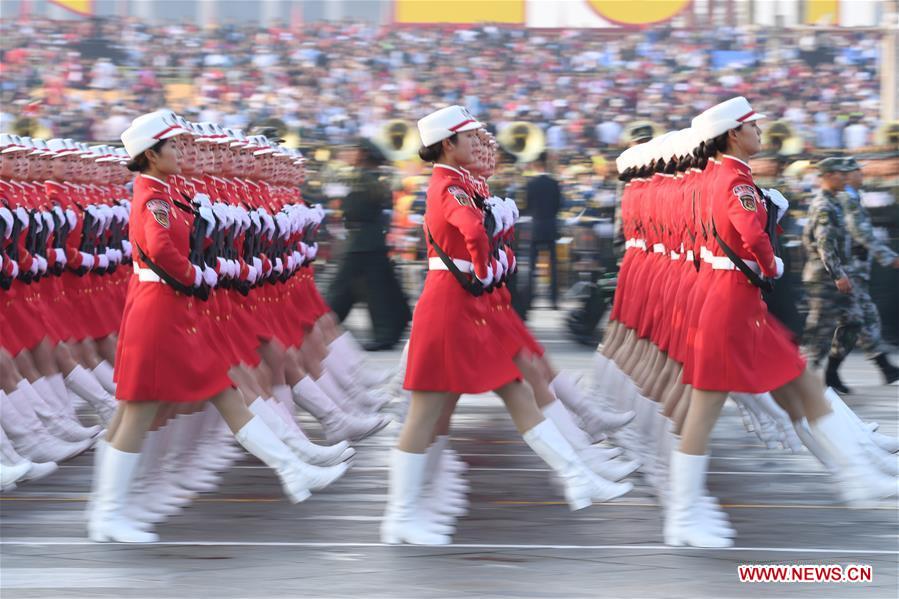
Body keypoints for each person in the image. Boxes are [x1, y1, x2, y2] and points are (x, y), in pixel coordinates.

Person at [87, 110, 347, 543]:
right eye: (174, 146)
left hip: (175, 309)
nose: (182, 152)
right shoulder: (153, 197)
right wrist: (196, 275)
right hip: (161, 310)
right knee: (139, 409)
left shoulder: (166, 191)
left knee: (220, 390)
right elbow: (160, 247)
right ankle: (107, 512)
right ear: (151, 155)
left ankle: (292, 469)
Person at [381, 105, 630, 546]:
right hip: (452, 307)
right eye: (469, 138)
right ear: (446, 144)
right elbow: (472, 232)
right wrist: (484, 266)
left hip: (463, 305)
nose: (478, 144)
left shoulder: (455, 183)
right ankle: (400, 515)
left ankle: (576, 476)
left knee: (515, 388)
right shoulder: (449, 186)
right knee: (427, 413)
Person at [667, 97, 895, 549]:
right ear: (734, 133)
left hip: (733, 300)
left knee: (801, 386)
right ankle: (682, 514)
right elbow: (751, 235)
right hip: (731, 302)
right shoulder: (733, 180)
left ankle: (856, 476)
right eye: (753, 125)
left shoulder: (721, 176)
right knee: (705, 408)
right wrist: (772, 266)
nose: (760, 132)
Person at [327, 138, 411, 350]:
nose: (347, 154)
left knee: (355, 289)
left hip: (363, 242)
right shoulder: (370, 177)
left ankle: (321, 327)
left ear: (362, 153)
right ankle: (386, 330)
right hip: (366, 242)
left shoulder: (362, 178)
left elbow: (353, 209)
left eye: (352, 149)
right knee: (369, 288)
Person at [801, 157, 862, 393]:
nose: (845, 177)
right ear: (827, 176)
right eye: (840, 173)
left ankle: (831, 373)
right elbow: (824, 244)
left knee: (853, 321)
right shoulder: (823, 205)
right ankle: (802, 382)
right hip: (824, 277)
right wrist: (838, 274)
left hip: (837, 274)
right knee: (819, 332)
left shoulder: (837, 202)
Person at [839, 156, 899, 383]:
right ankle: (817, 369)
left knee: (857, 319)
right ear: (846, 175)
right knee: (855, 319)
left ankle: (831, 371)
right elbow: (861, 234)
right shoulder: (846, 199)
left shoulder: (855, 197)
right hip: (847, 270)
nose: (862, 175)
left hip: (856, 268)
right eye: (857, 172)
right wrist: (889, 257)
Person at [525, 150, 562, 309]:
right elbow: (558, 206)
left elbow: (526, 207)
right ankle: (553, 301)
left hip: (535, 228)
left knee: (532, 267)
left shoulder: (530, 184)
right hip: (551, 227)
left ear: (537, 166)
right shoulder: (554, 184)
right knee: (553, 267)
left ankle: (530, 300)